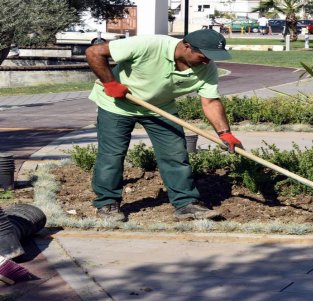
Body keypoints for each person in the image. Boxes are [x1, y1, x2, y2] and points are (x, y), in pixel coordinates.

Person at [85, 29, 242, 222]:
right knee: (112, 155)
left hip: (159, 109)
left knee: (175, 154)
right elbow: (94, 52)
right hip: (117, 105)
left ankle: (186, 203)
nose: (207, 61)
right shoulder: (149, 45)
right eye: (204, 55)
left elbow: (210, 101)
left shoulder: (206, 68)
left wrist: (225, 133)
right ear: (186, 46)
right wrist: (110, 83)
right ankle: (107, 204)